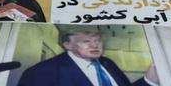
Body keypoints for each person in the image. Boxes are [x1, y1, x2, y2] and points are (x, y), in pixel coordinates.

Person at [17, 30, 159, 86]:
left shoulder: (107, 63)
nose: (95, 45)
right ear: (67, 44)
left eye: (97, 40)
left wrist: (148, 80)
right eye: (86, 41)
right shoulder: (40, 72)